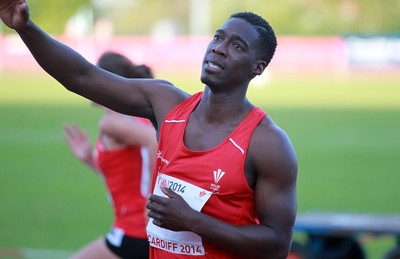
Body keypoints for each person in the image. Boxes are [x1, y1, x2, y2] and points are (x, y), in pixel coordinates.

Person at [0, 1, 298, 258]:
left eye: (236, 46)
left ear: (257, 67)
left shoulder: (267, 143)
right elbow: (81, 76)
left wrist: (194, 221)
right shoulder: (166, 104)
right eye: (218, 38)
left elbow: (277, 245)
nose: (219, 49)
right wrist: (25, 27)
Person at [63, 51, 157, 259]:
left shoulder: (111, 122)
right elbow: (129, 176)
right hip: (140, 233)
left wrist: (153, 201)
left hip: (134, 232)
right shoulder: (135, 117)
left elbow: (154, 140)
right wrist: (89, 159)